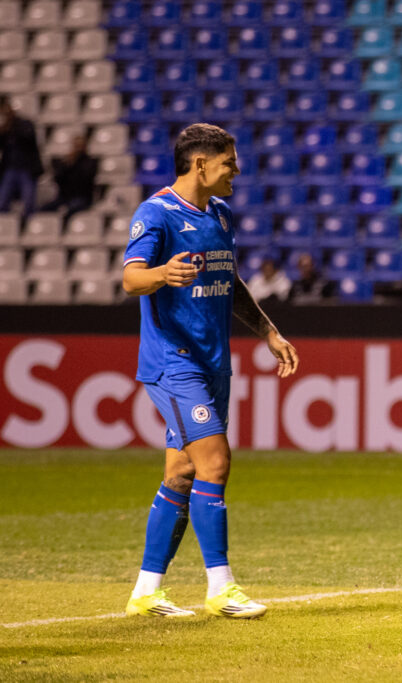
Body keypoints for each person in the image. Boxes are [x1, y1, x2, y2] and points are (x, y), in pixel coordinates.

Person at [122, 123, 299, 619]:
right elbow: (130, 277)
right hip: (173, 363)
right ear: (200, 164)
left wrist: (267, 331)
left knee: (180, 472)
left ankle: (146, 592)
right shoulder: (155, 214)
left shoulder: (219, 214)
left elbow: (232, 281)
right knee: (215, 462)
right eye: (228, 161)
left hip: (212, 363)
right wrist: (160, 273)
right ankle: (221, 587)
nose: (236, 170)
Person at [0, 96, 43, 217]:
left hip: (27, 169)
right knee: (2, 202)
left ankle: (27, 226)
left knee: (28, 202)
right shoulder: (5, 128)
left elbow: (28, 138)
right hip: (10, 169)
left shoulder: (25, 124)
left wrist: (12, 125)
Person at [40, 134, 97, 218]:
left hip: (82, 198)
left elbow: (84, 179)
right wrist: (66, 165)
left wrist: (74, 163)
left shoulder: (90, 162)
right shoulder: (67, 161)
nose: (78, 148)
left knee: (69, 210)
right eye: (76, 146)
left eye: (80, 146)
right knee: (43, 210)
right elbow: (58, 178)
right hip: (65, 197)